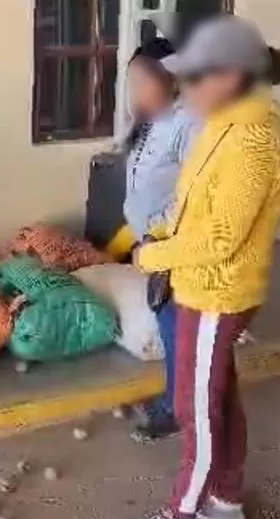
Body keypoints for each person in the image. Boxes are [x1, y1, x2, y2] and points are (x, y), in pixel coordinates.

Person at [115, 15, 280, 519]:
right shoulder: (223, 124)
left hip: (216, 290)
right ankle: (227, 502)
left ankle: (183, 518)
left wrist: (156, 256)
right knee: (219, 397)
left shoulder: (255, 138)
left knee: (197, 408)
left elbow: (220, 237)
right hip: (199, 281)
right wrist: (161, 234)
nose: (185, 88)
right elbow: (193, 205)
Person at [121, 37, 200, 444]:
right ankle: (175, 397)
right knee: (168, 324)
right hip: (150, 246)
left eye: (141, 82)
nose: (134, 92)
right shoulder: (150, 121)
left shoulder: (188, 123)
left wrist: (158, 234)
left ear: (169, 79)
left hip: (171, 246)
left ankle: (178, 409)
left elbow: (195, 194)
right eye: (130, 82)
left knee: (175, 328)